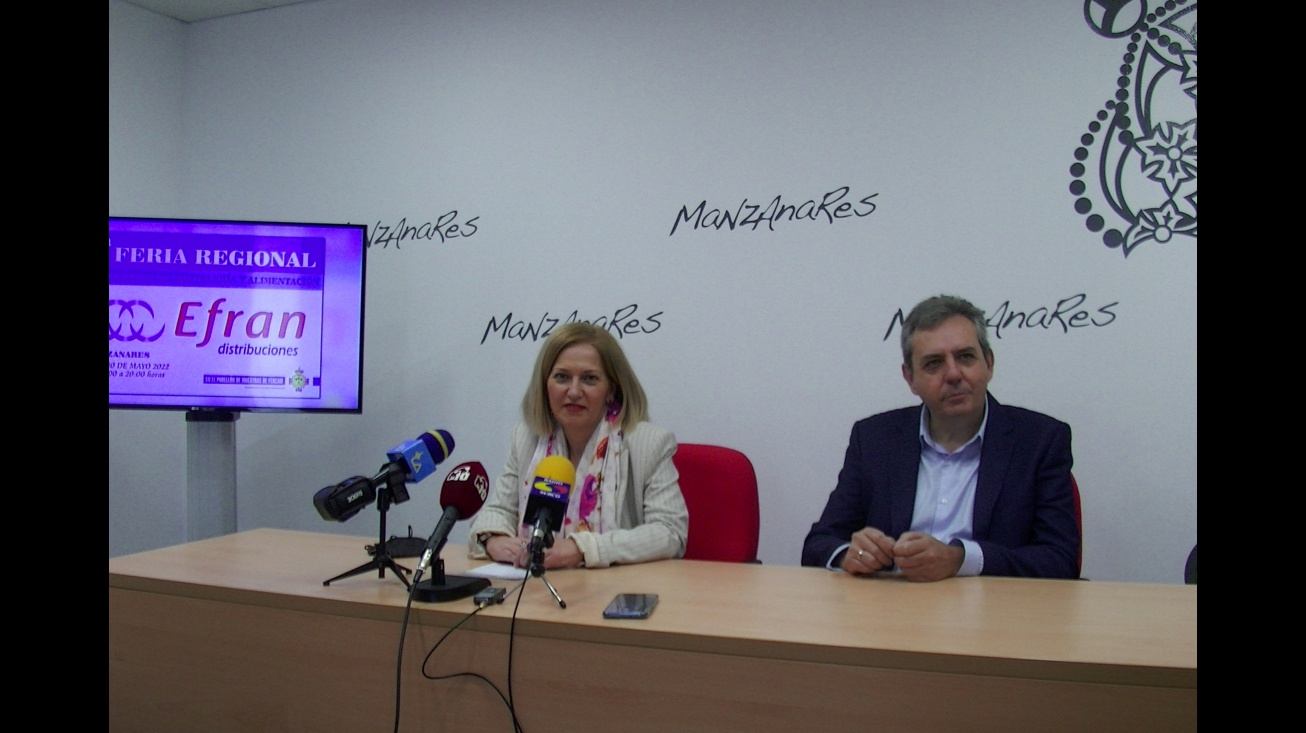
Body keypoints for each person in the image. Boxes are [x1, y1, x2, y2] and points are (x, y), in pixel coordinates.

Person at [801, 295, 1080, 580]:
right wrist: (852, 554)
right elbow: (818, 544)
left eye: (965, 357)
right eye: (934, 363)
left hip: (994, 613)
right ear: (910, 378)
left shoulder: (1040, 441)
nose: (953, 374)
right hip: (891, 612)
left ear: (989, 364)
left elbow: (1060, 560)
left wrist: (961, 559)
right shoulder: (874, 439)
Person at [468, 322, 688, 570]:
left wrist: (582, 549)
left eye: (589, 379)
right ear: (545, 385)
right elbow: (498, 510)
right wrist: (494, 538)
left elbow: (669, 533)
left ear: (611, 389)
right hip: (534, 592)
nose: (573, 391)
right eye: (562, 377)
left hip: (614, 592)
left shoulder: (648, 443)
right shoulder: (526, 438)